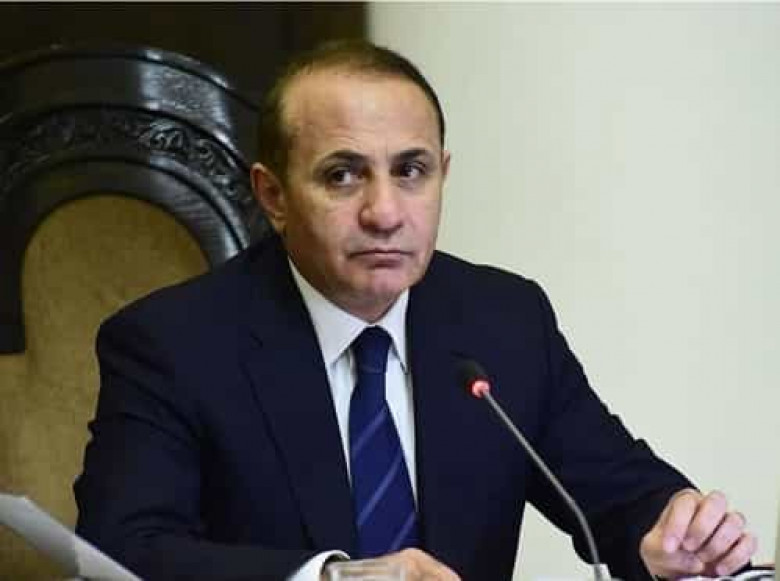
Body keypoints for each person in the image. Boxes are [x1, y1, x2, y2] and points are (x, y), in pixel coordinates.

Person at [74, 40, 757, 581]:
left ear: (442, 175)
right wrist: (335, 578)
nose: (385, 212)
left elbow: (616, 493)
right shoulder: (173, 343)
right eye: (343, 174)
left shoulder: (505, 321)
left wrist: (674, 526)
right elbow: (122, 551)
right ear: (274, 195)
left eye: (410, 171)